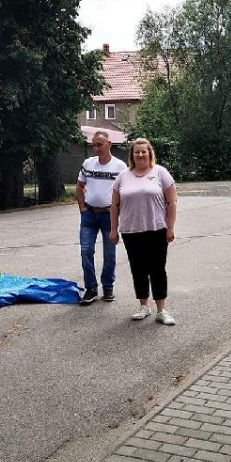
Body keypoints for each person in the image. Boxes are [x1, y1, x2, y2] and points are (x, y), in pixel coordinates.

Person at [110, 138, 177, 325]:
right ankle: (144, 306)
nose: (140, 154)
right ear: (132, 155)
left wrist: (170, 227)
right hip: (131, 231)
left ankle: (161, 310)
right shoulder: (123, 175)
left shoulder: (160, 172)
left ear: (149, 153)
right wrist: (113, 229)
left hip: (157, 229)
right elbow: (114, 205)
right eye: (137, 152)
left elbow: (172, 202)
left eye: (143, 151)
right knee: (138, 269)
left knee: (157, 270)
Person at [76, 131, 127, 305]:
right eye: (94, 145)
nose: (96, 148)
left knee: (109, 253)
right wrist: (82, 208)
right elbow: (80, 186)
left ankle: (108, 287)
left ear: (109, 144)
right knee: (86, 251)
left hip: (108, 215)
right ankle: (91, 288)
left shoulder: (120, 167)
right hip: (89, 215)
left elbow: (124, 191)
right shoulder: (88, 164)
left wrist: (118, 211)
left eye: (99, 144)